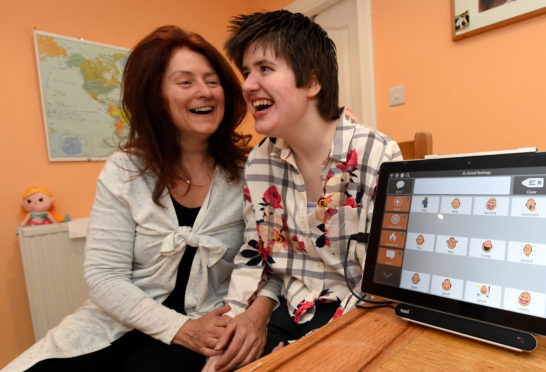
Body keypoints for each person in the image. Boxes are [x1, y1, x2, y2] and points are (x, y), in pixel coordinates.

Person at [4, 25, 250, 372]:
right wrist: (180, 328)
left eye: (213, 81)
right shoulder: (125, 169)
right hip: (120, 324)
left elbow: (264, 262)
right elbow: (105, 277)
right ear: (154, 96)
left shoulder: (250, 171)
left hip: (205, 326)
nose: (205, 92)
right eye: (185, 82)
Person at [204, 10, 402, 372]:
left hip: (361, 311)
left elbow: (388, 279)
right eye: (246, 72)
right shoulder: (260, 161)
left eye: (264, 68)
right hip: (292, 305)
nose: (247, 84)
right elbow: (256, 254)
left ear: (311, 81)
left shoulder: (378, 153)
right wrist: (236, 322)